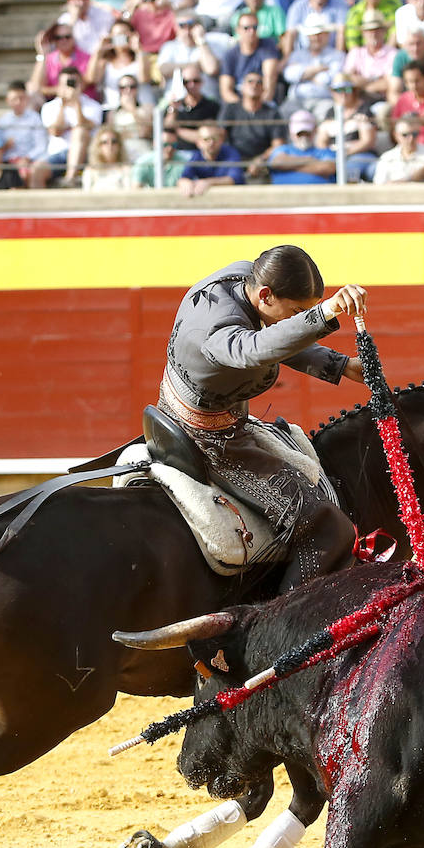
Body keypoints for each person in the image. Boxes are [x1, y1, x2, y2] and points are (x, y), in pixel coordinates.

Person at [157, 247, 365, 590]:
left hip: (195, 412)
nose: (300, 318)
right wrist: (326, 313)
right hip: (213, 442)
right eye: (297, 311)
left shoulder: (242, 278)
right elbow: (255, 348)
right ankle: (282, 628)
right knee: (329, 527)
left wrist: (340, 365)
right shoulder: (218, 333)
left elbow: (272, 332)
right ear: (266, 295)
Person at [267, 110, 336, 184]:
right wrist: (311, 160)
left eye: (307, 133)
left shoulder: (325, 152)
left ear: (315, 131)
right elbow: (278, 162)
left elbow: (328, 168)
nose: (303, 137)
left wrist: (290, 166)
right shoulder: (282, 149)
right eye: (299, 134)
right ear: (291, 132)